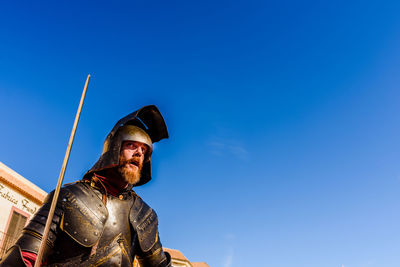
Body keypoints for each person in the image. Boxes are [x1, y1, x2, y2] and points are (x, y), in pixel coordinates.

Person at [0, 105, 171, 267]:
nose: (138, 153)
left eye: (144, 151)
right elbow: (25, 256)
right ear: (114, 148)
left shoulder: (144, 214)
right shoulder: (68, 196)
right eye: (132, 145)